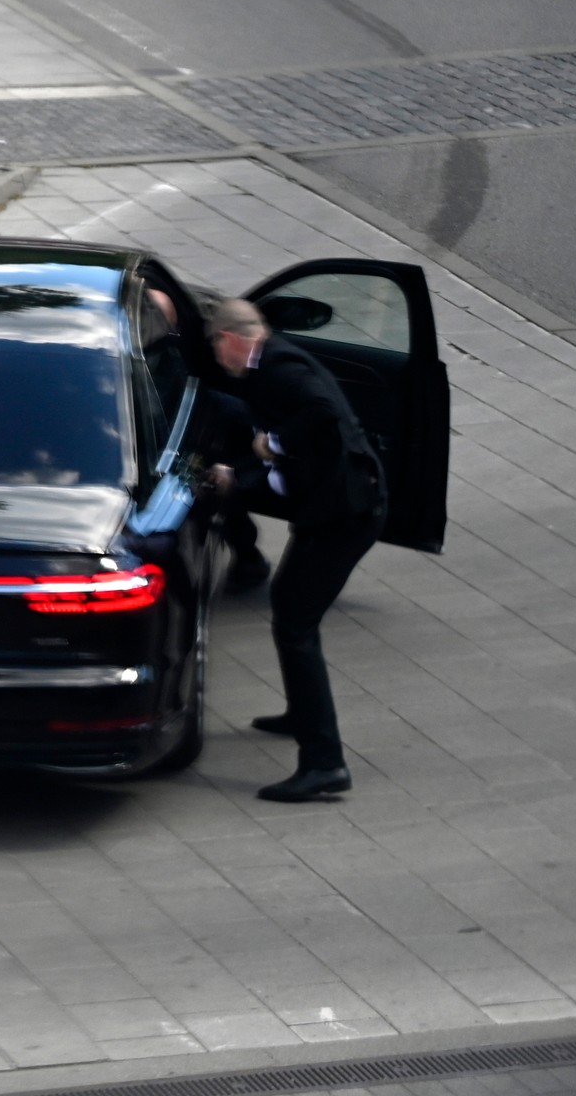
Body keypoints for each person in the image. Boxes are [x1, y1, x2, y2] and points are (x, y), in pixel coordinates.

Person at [196, 296, 385, 803]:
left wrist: (272, 446)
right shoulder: (271, 366)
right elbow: (293, 464)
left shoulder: (279, 366)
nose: (218, 361)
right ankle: (303, 715)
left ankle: (325, 762)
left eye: (217, 349)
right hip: (330, 509)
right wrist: (241, 476)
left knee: (295, 624)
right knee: (289, 608)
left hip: (344, 515)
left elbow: (321, 413)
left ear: (231, 339)